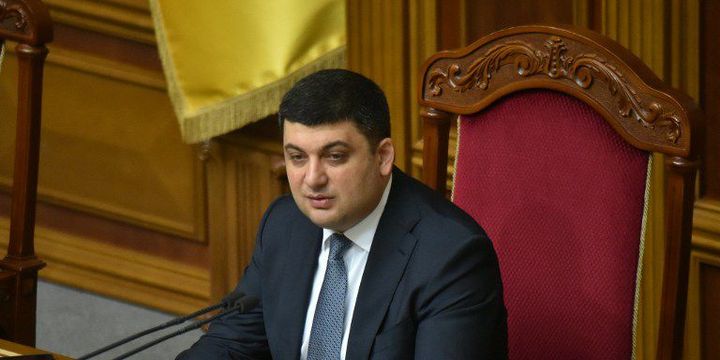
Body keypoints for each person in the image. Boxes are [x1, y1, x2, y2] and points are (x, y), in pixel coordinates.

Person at [177, 69, 507, 359]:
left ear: (382, 157)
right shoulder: (285, 223)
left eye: (334, 157)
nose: (312, 179)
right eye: (297, 157)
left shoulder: (450, 257)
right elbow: (232, 343)